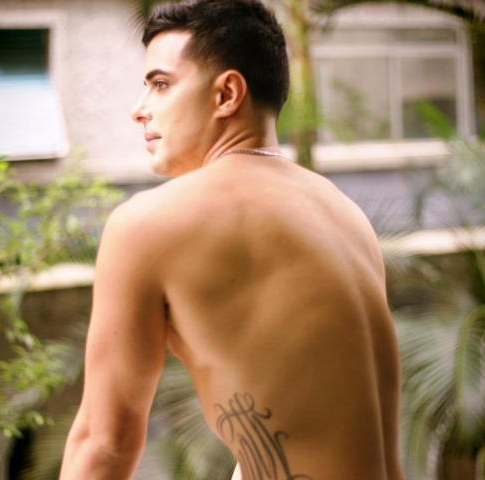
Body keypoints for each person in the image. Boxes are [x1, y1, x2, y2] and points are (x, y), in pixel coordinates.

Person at [59, 0, 404, 479]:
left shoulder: (148, 224)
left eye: (160, 84)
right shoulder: (344, 215)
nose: (139, 110)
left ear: (226, 94)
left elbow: (103, 445)